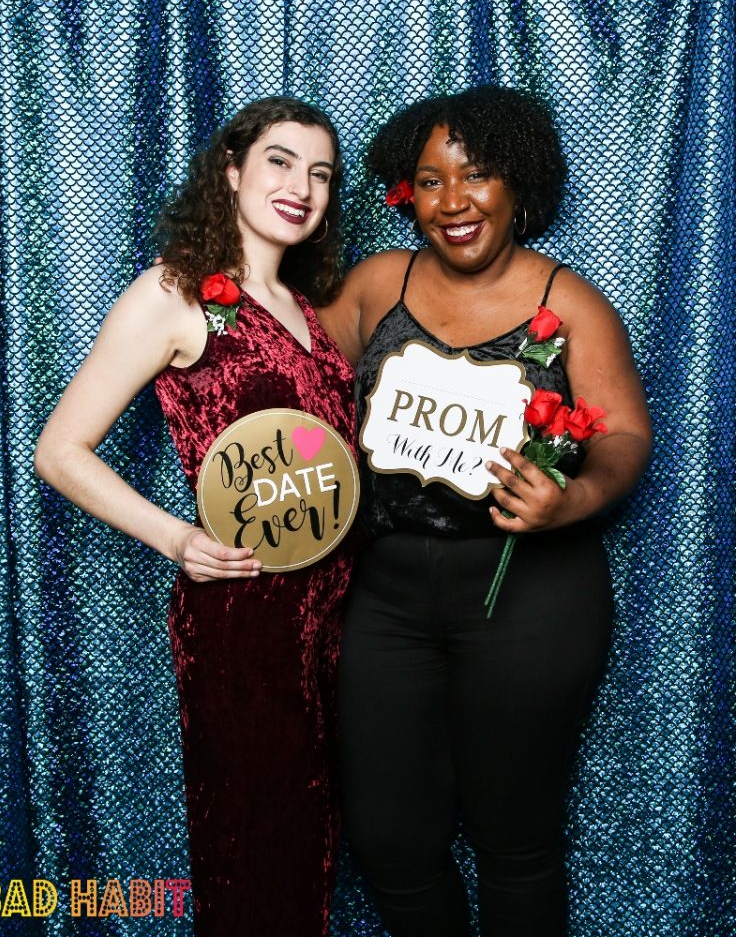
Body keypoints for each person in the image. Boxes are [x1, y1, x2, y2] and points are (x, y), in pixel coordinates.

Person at [318, 86, 653, 937]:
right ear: (408, 194)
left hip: (530, 592)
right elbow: (294, 387)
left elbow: (624, 436)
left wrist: (572, 497)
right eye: (431, 181)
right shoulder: (375, 286)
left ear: (517, 183)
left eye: (476, 175)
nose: (454, 201)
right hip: (387, 596)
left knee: (515, 839)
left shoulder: (569, 302)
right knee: (390, 840)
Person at [34, 97, 356, 937]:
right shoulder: (173, 291)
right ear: (232, 171)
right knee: (256, 844)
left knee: (314, 846)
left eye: (320, 173)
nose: (301, 187)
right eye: (280, 161)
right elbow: (59, 450)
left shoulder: (304, 307)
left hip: (336, 618)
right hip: (245, 613)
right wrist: (177, 538)